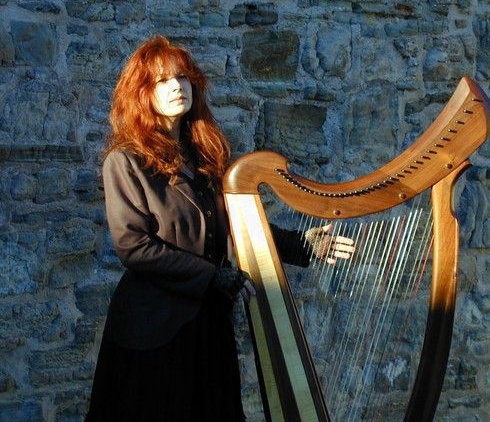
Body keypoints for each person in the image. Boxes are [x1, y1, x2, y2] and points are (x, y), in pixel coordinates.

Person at [86, 36, 354, 422]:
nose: (176, 86)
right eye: (162, 81)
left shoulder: (205, 155)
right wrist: (212, 276)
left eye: (182, 77)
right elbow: (134, 247)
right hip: (156, 330)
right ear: (142, 93)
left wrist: (304, 245)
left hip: (208, 325)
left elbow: (236, 224)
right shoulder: (125, 161)